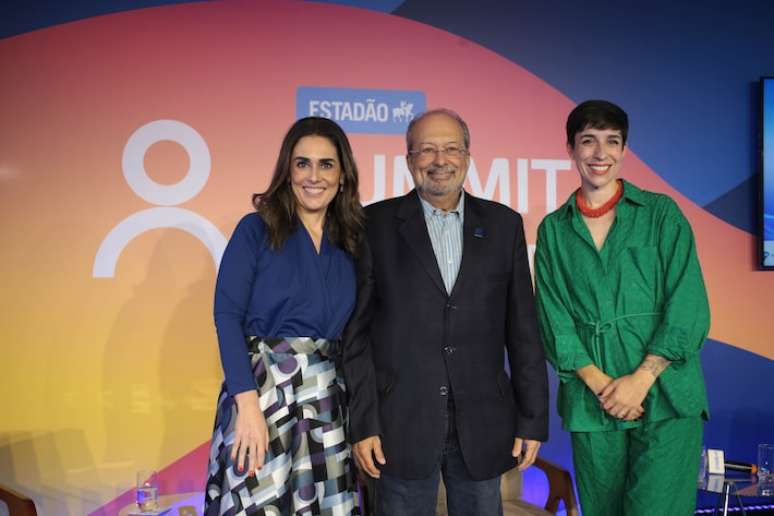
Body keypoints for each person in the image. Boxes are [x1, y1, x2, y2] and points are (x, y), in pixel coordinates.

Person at [343, 108, 549, 516]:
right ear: (409, 160)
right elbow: (357, 335)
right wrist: (363, 422)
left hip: (483, 422)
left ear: (468, 157)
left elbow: (523, 330)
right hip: (398, 424)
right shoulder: (373, 224)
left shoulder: (504, 225)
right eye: (427, 150)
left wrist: (532, 419)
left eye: (452, 148)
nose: (441, 160)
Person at [534, 100, 710, 516]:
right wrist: (603, 387)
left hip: (665, 395)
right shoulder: (554, 231)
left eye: (612, 142)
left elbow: (688, 304)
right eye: (588, 141)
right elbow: (554, 317)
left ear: (625, 149)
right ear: (571, 149)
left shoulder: (662, 214)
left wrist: (641, 379)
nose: (600, 154)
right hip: (594, 401)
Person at [205, 117, 363, 515]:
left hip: (328, 399)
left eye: (326, 164)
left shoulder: (353, 240)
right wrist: (248, 407)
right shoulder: (256, 229)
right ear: (287, 171)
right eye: (302, 163)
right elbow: (227, 316)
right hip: (263, 396)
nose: (314, 176)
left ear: (343, 175)